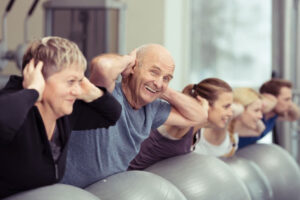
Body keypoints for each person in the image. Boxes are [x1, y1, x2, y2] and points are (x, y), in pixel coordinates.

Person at [62, 44, 209, 188]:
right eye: (154, 72)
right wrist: (127, 60)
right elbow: (103, 67)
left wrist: (162, 89)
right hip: (66, 190)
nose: (159, 82)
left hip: (106, 192)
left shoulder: (154, 109)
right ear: (133, 68)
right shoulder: (107, 94)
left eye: (166, 78)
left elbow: (199, 116)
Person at [0, 36, 121, 198]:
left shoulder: (63, 111)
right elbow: (3, 120)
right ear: (40, 78)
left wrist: (92, 90)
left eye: (79, 81)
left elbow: (112, 115)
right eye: (70, 82)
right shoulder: (14, 106)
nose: (77, 90)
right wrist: (33, 91)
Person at [129, 78, 234, 170]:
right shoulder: (183, 124)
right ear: (205, 103)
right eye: (226, 107)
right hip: (129, 179)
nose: (230, 113)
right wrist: (200, 111)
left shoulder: (197, 128)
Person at [238, 79, 300, 148]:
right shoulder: (253, 113)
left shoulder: (274, 115)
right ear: (269, 97)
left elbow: (296, 116)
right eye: (286, 99)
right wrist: (270, 100)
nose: (290, 105)